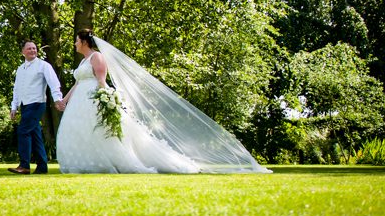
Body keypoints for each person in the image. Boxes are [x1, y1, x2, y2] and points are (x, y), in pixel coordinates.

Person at [55, 30, 269, 174]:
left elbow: (101, 80)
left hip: (94, 99)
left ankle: (111, 162)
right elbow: (78, 83)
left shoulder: (97, 58)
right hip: (79, 103)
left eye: (76, 40)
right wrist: (64, 100)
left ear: (84, 42)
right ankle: (85, 163)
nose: (74, 43)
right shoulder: (83, 61)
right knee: (82, 132)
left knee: (102, 132)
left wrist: (105, 100)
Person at [8, 40, 63, 175]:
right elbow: (17, 89)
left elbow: (54, 83)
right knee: (35, 134)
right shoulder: (20, 69)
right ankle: (42, 167)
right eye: (29, 49)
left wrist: (57, 99)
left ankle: (24, 165)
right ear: (22, 52)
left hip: (37, 104)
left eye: (34, 48)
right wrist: (14, 106)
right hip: (25, 105)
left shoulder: (43, 66)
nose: (33, 50)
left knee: (23, 131)